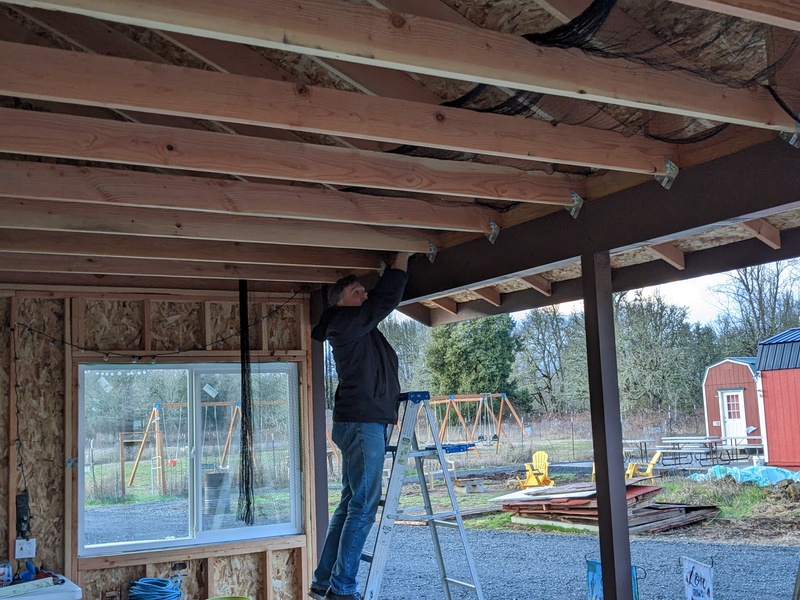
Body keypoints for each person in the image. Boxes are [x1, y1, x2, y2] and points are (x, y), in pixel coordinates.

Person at [308, 252, 411, 600]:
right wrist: (402, 260)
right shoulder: (345, 322)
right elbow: (385, 299)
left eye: (363, 291)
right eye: (356, 291)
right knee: (363, 505)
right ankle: (342, 588)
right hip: (362, 424)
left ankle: (325, 580)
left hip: (360, 422)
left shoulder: (355, 326)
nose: (364, 295)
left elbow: (377, 304)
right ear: (339, 301)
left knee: (351, 501)